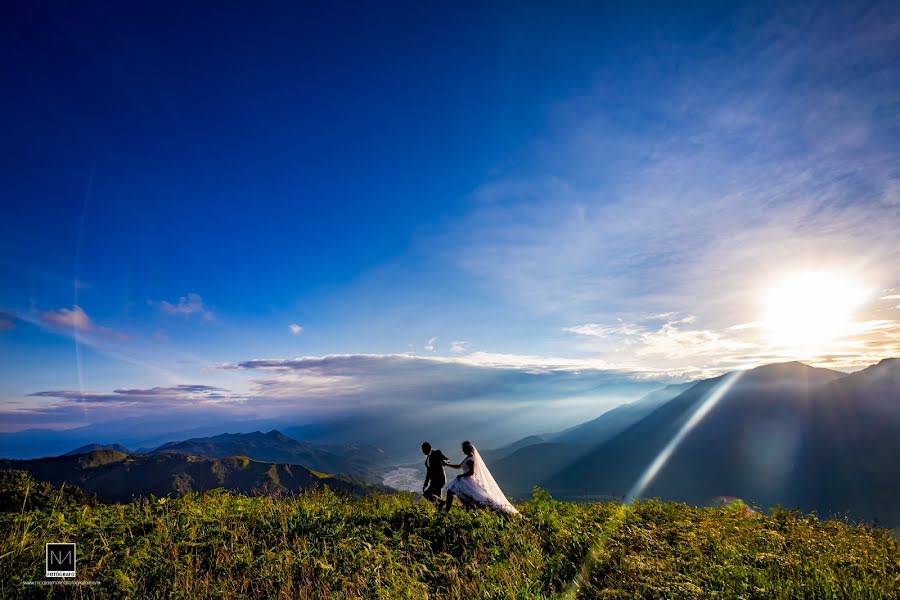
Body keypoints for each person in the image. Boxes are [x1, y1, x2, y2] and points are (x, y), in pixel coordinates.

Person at [444, 441, 519, 516]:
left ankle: (447, 512)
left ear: (467, 448)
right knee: (458, 494)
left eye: (463, 448)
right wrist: (447, 464)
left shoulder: (470, 459)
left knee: (454, 492)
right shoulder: (468, 457)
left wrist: (461, 476)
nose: (462, 450)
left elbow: (471, 473)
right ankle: (457, 511)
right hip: (465, 481)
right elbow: (459, 466)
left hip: (467, 481)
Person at [421, 442, 449, 506]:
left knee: (428, 495)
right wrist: (425, 484)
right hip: (433, 481)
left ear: (429, 448)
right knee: (435, 497)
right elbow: (428, 473)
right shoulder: (427, 460)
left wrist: (445, 461)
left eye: (423, 449)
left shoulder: (436, 453)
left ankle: (441, 503)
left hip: (440, 479)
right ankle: (440, 506)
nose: (423, 451)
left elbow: (447, 459)